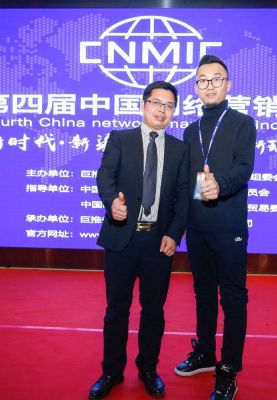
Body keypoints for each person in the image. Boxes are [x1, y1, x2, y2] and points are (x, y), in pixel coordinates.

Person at [88, 80, 189, 400]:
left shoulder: (180, 149)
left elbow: (183, 197)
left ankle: (148, 369)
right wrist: (111, 203)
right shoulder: (120, 139)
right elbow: (105, 177)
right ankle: (111, 371)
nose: (162, 110)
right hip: (122, 238)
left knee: (154, 311)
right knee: (116, 310)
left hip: (158, 242)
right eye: (157, 103)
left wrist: (174, 233)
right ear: (144, 105)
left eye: (169, 105)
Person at [174, 55, 256, 400]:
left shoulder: (243, 123)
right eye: (203, 80)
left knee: (233, 298)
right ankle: (206, 352)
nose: (210, 86)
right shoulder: (189, 130)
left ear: (228, 84)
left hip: (228, 225)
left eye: (216, 79)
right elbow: (185, 182)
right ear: (196, 87)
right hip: (197, 226)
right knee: (203, 293)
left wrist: (219, 184)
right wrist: (177, 225)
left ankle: (228, 370)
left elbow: (244, 169)